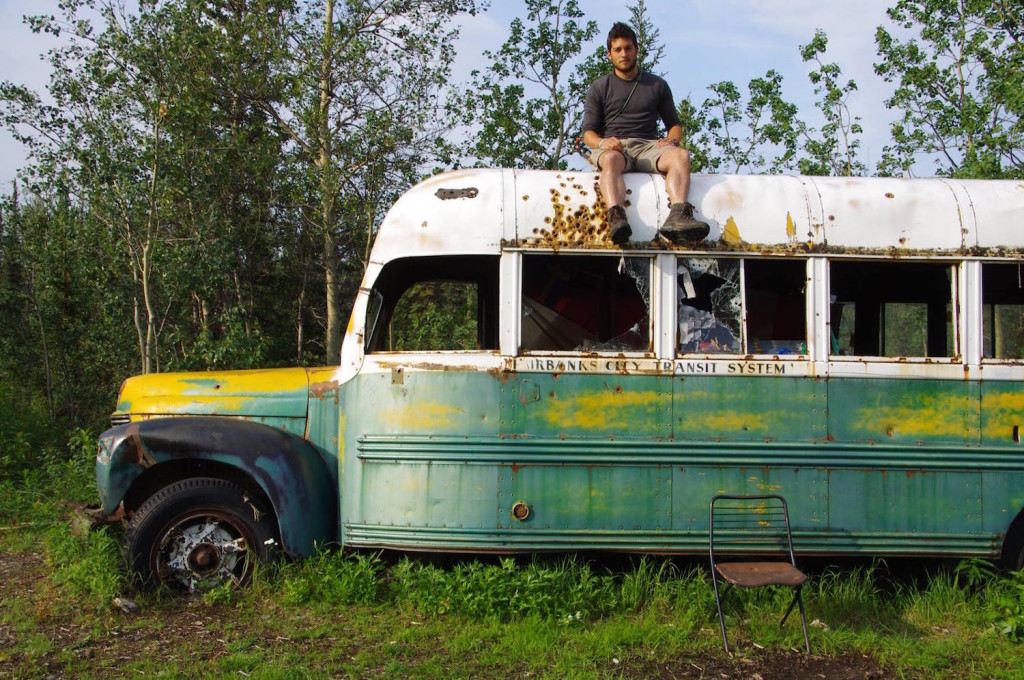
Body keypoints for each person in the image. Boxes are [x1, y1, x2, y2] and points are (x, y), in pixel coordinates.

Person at [582, 22, 709, 245]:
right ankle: (616, 216)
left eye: (628, 48)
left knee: (680, 155)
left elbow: (674, 125)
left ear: (637, 50)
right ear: (609, 54)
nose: (624, 54)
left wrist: (672, 140)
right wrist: (604, 143)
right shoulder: (599, 87)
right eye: (618, 49)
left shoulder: (657, 85)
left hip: (649, 146)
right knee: (610, 159)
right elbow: (588, 135)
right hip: (616, 147)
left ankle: (679, 214)